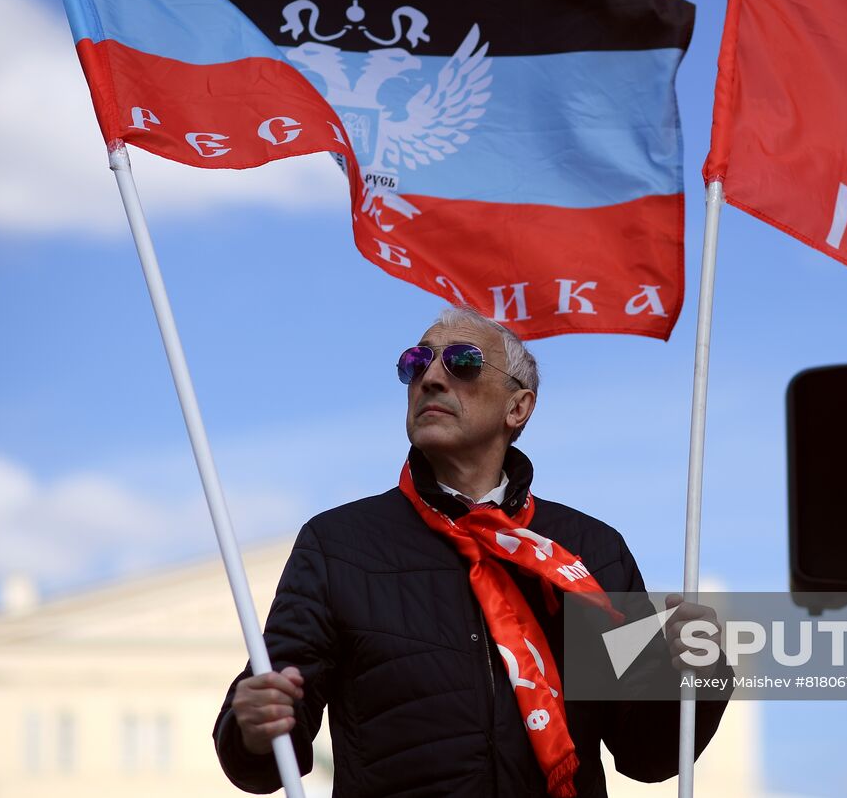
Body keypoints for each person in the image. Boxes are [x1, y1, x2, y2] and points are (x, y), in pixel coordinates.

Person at [214, 306, 730, 797]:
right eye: (415, 363)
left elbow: (646, 754)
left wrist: (697, 674)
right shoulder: (337, 544)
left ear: (518, 407)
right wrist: (253, 726)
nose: (431, 378)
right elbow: (272, 727)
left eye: (462, 362)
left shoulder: (594, 551)